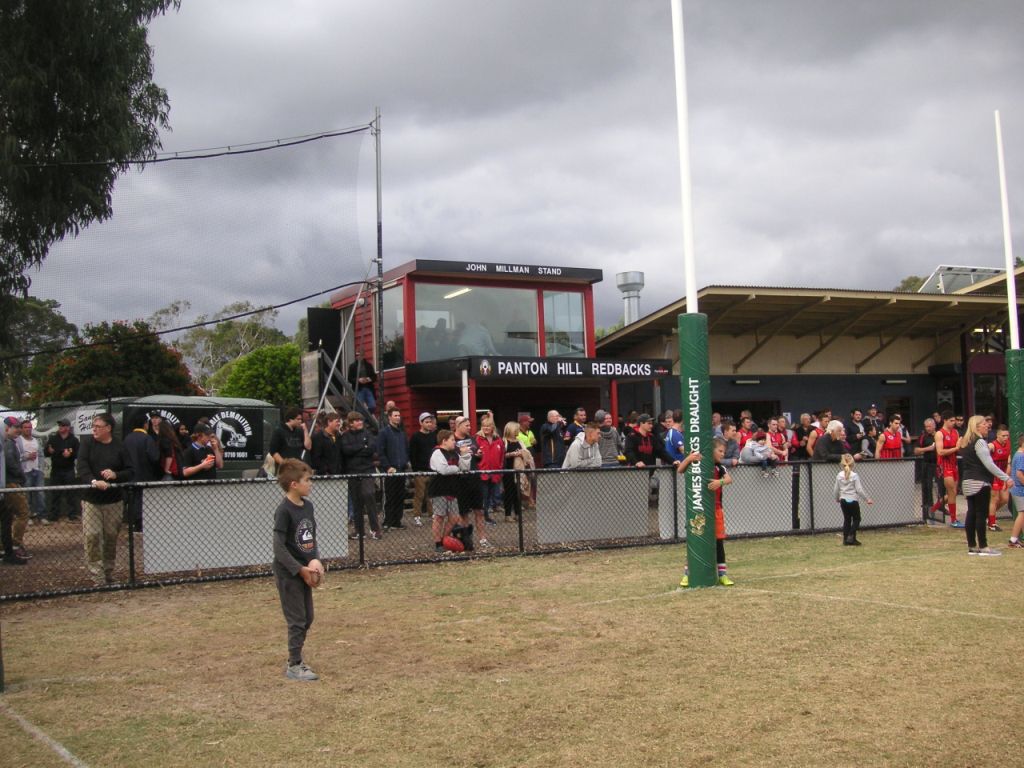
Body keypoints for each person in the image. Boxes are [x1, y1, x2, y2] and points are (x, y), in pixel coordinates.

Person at [271, 458, 324, 682]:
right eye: (307, 480)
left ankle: (296, 659)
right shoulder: (284, 510)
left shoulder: (308, 507)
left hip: (305, 569)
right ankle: (294, 664)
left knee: (308, 618)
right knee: (297, 619)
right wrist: (299, 569)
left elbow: (310, 539)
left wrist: (315, 560)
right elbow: (279, 548)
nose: (310, 484)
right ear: (294, 484)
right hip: (288, 573)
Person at [77, 413, 133, 585]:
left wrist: (115, 475)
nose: (94, 429)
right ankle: (97, 575)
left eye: (98, 426)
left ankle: (108, 572)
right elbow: (82, 467)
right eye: (93, 426)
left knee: (110, 537)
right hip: (91, 499)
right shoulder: (87, 443)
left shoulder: (120, 446)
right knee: (92, 536)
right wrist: (94, 481)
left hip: (113, 500)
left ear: (108, 428)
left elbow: (130, 471)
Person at [680, 437, 733, 587]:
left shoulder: (719, 467)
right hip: (698, 509)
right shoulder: (698, 463)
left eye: (724, 452)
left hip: (716, 509)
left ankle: (722, 575)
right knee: (695, 540)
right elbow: (680, 470)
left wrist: (719, 482)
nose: (722, 454)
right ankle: (687, 574)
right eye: (720, 451)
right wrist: (689, 458)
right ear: (712, 450)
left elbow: (729, 479)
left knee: (718, 542)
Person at [958, 415, 1010, 556]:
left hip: (967, 481)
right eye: (984, 424)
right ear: (977, 426)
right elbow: (989, 464)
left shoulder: (966, 441)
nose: (987, 426)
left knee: (971, 513)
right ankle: (984, 547)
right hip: (980, 481)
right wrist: (1006, 477)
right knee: (981, 514)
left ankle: (972, 546)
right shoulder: (980, 442)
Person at [340, 411, 382, 540]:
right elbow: (346, 451)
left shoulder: (367, 434)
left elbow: (371, 449)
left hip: (367, 470)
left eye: (361, 420)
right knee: (356, 501)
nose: (360, 422)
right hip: (352, 471)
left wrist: (357, 450)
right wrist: (362, 447)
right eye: (357, 420)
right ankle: (359, 531)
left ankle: (375, 529)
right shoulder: (345, 436)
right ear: (350, 423)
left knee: (369, 495)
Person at [428, 429, 472, 552]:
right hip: (439, 489)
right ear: (444, 441)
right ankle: (438, 543)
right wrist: (456, 468)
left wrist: (465, 455)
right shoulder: (437, 453)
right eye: (452, 440)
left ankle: (444, 539)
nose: (454, 442)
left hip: (453, 489)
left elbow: (464, 468)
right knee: (439, 517)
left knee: (454, 517)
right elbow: (443, 470)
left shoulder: (454, 453)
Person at [452, 415, 489, 546]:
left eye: (469, 425)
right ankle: (466, 540)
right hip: (461, 480)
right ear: (458, 426)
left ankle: (483, 539)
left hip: (474, 477)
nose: (469, 427)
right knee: (464, 512)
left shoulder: (472, 439)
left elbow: (477, 455)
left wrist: (479, 455)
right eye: (466, 425)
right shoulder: (452, 440)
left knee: (479, 510)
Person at [122, 411, 161, 531]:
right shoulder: (147, 439)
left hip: (129, 475)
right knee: (142, 501)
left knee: (132, 499)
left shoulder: (127, 439)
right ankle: (139, 524)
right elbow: (154, 457)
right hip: (145, 475)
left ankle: (131, 522)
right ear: (145, 424)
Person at [377, 407, 410, 530]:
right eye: (395, 415)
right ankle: (388, 521)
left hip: (401, 469)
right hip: (390, 470)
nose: (397, 418)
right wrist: (387, 467)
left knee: (400, 496)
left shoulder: (402, 434)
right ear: (389, 417)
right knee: (390, 496)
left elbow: (406, 449)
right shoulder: (384, 433)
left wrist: (406, 462)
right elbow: (381, 452)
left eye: (399, 415)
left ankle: (397, 521)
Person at [3, 416, 31, 560]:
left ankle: (6, 546)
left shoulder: (9, 442)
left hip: (9, 482)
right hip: (11, 483)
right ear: (7, 428)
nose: (18, 430)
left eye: (19, 427)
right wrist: (22, 476)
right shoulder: (8, 443)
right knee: (23, 511)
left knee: (7, 516)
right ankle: (15, 544)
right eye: (15, 427)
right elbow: (11, 464)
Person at [45, 418, 80, 522]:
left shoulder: (74, 440)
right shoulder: (53, 439)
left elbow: (78, 454)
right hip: (56, 470)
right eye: (60, 425)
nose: (61, 427)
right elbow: (45, 452)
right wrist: (49, 451)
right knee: (55, 493)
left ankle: (72, 515)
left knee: (71, 493)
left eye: (63, 425)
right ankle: (54, 515)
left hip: (69, 470)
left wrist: (70, 454)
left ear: (68, 427)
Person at [834, 453, 873, 546]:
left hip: (843, 500)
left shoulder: (839, 475)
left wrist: (837, 498)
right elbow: (859, 490)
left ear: (842, 464)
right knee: (857, 519)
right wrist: (867, 499)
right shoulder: (854, 475)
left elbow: (836, 489)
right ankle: (851, 536)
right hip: (853, 500)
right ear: (853, 464)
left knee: (847, 519)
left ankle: (846, 540)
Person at [408, 412, 437, 525]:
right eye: (426, 422)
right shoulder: (415, 437)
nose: (429, 424)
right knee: (419, 494)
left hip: (432, 470)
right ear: (421, 423)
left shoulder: (433, 436)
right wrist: (415, 470)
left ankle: (432, 514)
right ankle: (417, 515)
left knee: (431, 494)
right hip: (420, 470)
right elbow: (412, 454)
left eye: (430, 422)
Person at [934, 409, 962, 527]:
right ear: (944, 420)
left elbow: (959, 447)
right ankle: (953, 520)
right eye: (951, 421)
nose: (953, 423)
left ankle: (934, 508)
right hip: (944, 465)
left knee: (953, 492)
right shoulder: (940, 434)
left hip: (954, 464)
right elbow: (940, 451)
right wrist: (955, 448)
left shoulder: (956, 432)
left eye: (954, 420)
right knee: (952, 491)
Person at [476, 416, 505, 523]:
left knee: (490, 496)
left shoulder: (499, 440)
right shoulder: (477, 439)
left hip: (495, 473)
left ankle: (486, 516)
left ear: (493, 427)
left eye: (488, 426)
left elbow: (502, 456)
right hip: (482, 472)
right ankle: (483, 517)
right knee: (483, 496)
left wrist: (500, 469)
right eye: (484, 426)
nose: (486, 428)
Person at [17, 419, 44, 522]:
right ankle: (27, 516)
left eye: (29, 427)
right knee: (26, 495)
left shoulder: (36, 440)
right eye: (25, 427)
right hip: (25, 471)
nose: (28, 429)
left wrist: (41, 468)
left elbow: (41, 455)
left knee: (40, 494)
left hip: (37, 470)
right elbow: (16, 457)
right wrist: (27, 457)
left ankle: (42, 515)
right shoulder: (18, 441)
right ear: (21, 429)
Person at [987, 424, 1011, 532]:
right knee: (995, 499)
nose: (1005, 438)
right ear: (997, 435)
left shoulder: (1009, 444)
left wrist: (1006, 476)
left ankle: (988, 515)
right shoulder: (992, 445)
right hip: (994, 475)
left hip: (1003, 475)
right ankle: (992, 523)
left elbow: (1009, 460)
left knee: (1005, 499)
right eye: (1003, 436)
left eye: (1007, 436)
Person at [501, 421, 526, 521]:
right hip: (508, 470)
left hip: (518, 470)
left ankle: (518, 514)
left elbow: (526, 453)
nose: (518, 431)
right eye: (517, 429)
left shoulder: (520, 441)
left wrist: (522, 454)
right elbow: (501, 456)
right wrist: (512, 454)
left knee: (517, 492)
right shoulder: (504, 441)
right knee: (509, 492)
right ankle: (507, 515)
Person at [914, 418, 938, 520]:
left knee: (941, 488)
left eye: (929, 426)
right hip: (927, 464)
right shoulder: (923, 436)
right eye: (926, 426)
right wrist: (928, 449)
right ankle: (928, 508)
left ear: (934, 426)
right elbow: (916, 450)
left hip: (939, 464)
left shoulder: (939, 435)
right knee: (927, 487)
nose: (928, 428)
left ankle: (940, 506)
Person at [309, 412, 344, 476]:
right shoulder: (318, 437)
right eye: (337, 421)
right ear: (329, 422)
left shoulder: (339, 437)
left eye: (339, 422)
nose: (339, 424)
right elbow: (315, 456)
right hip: (324, 474)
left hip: (338, 473)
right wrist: (324, 470)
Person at [347, 348, 378, 414]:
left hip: (368, 388)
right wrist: (358, 380)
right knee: (359, 408)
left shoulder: (369, 365)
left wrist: (368, 379)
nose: (358, 356)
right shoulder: (352, 366)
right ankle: (363, 419)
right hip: (358, 389)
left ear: (363, 356)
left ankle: (366, 418)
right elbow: (349, 378)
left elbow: (374, 377)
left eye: (359, 355)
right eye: (357, 355)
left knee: (372, 406)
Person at [1007, 435, 1024, 548]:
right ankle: (1013, 539)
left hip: (1017, 489)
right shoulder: (1021, 456)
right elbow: (1019, 474)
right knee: (1022, 513)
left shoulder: (1018, 455)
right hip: (1019, 490)